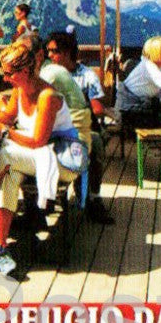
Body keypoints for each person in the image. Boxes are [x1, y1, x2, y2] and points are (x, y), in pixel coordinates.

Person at [0, 40, 85, 278]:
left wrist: (0, 129)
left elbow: (37, 141)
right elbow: (9, 115)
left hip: (62, 159)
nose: (5, 78)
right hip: (36, 157)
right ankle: (0, 248)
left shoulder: (47, 96)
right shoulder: (19, 89)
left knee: (8, 154)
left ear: (24, 71)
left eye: (9, 73)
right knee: (9, 175)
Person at [45, 30, 112, 223]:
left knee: (96, 142)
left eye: (54, 51)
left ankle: (93, 197)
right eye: (48, 51)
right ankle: (41, 199)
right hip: (53, 126)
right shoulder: (48, 73)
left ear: (66, 53)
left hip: (81, 126)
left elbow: (97, 109)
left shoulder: (87, 76)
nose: (49, 55)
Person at [114, 36, 161, 131]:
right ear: (157, 52)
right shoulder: (149, 68)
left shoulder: (154, 67)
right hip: (129, 112)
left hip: (135, 109)